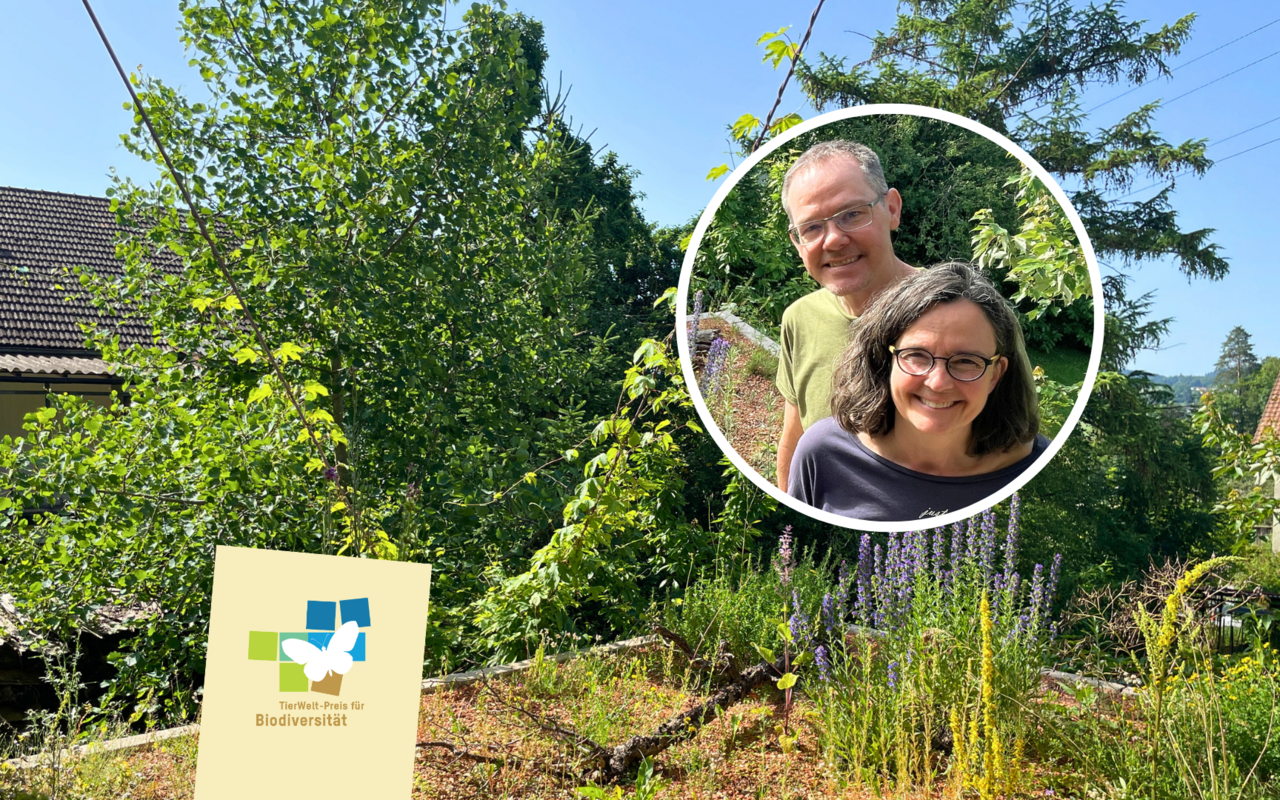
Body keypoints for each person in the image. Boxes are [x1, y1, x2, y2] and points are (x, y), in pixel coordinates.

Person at [786, 262, 1048, 521]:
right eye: (917, 356)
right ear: (885, 360)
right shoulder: (822, 453)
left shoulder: (1041, 467)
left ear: (996, 374)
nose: (937, 383)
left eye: (966, 361)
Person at [775, 140, 916, 492]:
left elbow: (1009, 445)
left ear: (892, 209)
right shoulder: (799, 319)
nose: (834, 240)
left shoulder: (964, 312)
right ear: (797, 243)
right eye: (812, 228)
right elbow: (793, 440)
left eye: (852, 214)